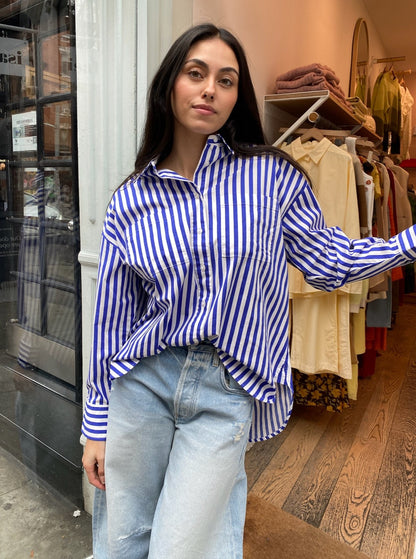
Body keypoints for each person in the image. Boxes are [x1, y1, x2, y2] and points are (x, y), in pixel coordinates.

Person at [81, 23, 416, 559]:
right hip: (141, 383)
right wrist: (94, 425)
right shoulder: (130, 199)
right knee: (123, 541)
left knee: (180, 547)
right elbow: (112, 322)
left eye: (227, 79)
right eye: (196, 73)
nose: (210, 88)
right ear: (171, 84)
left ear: (238, 96)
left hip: (225, 386)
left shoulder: (271, 177)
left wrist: (411, 241)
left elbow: (329, 261)